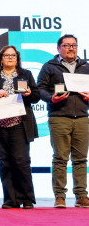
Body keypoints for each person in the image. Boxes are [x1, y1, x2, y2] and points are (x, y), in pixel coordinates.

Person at [0, 45, 40, 209]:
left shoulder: (26, 74)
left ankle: (27, 199)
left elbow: (36, 96)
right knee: (5, 163)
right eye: (6, 55)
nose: (10, 58)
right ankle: (10, 199)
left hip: (19, 124)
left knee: (21, 161)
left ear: (17, 58)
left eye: (13, 55)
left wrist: (29, 94)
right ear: (0, 59)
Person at [37, 34, 89, 208]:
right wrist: (51, 98)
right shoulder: (49, 67)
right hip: (59, 117)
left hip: (82, 117)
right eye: (67, 45)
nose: (71, 48)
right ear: (58, 48)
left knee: (81, 159)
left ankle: (81, 195)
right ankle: (60, 196)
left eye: (74, 45)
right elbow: (40, 90)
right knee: (60, 158)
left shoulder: (86, 66)